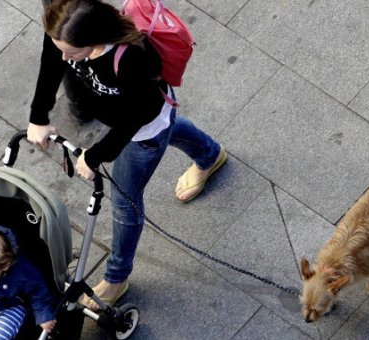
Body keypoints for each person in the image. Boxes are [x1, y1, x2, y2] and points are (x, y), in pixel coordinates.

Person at [27, 0, 227, 310]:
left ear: (94, 39)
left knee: (124, 202)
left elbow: (140, 115)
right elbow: (52, 60)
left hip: (142, 131)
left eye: (72, 52)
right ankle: (210, 155)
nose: (65, 57)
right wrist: (38, 115)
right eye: (61, 48)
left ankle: (117, 278)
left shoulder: (133, 57)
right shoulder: (64, 28)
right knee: (169, 126)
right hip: (141, 118)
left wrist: (95, 157)